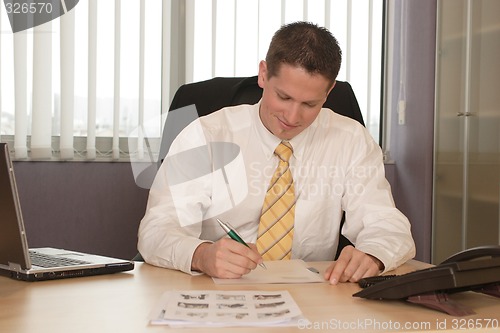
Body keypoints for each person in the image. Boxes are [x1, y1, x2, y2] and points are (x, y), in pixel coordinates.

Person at [138, 21, 415, 284]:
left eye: (310, 103)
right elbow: (156, 232)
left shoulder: (351, 140)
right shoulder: (206, 135)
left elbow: (387, 226)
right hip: (217, 293)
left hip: (313, 299)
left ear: (329, 91)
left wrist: (373, 256)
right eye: (283, 97)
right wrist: (201, 255)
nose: (293, 117)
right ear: (263, 74)